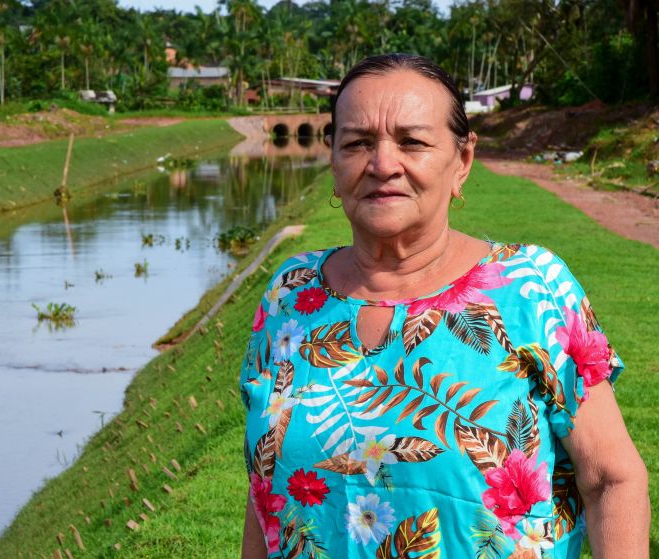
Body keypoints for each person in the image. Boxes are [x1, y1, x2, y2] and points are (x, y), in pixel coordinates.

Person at [239, 54, 648, 559]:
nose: (383, 163)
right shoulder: (289, 295)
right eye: (357, 142)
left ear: (462, 162)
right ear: (333, 160)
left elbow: (611, 479)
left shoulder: (531, 289)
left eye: (411, 142)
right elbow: (266, 496)